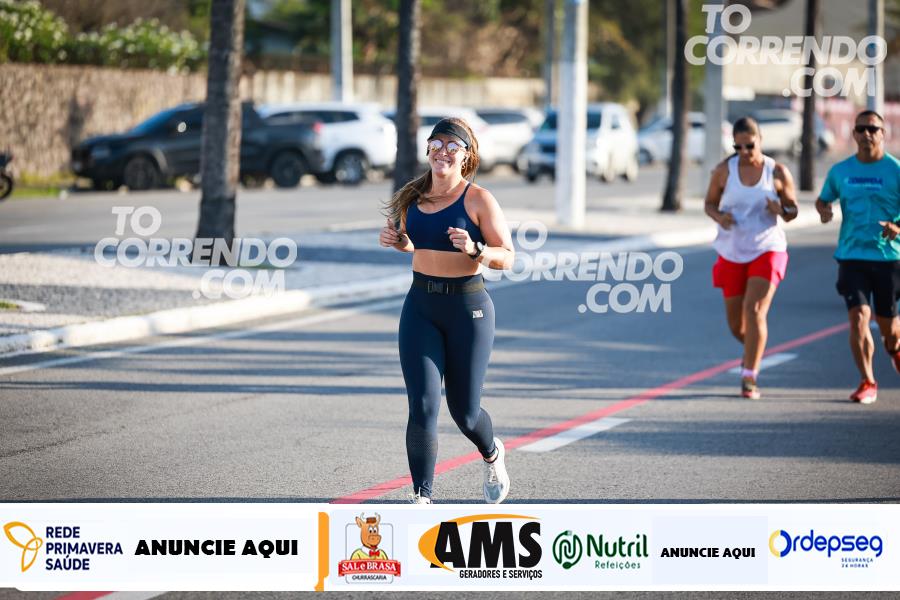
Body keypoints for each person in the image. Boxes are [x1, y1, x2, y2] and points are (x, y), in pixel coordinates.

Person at [379, 117, 515, 503]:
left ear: (466, 156)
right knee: (423, 404)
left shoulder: (478, 200)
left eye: (452, 146)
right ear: (427, 149)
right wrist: (398, 241)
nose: (443, 152)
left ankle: (492, 453)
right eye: (436, 144)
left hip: (467, 310)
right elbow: (415, 242)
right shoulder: (412, 196)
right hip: (420, 306)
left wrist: (475, 249)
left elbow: (507, 257)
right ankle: (422, 497)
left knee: (465, 413)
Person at [704, 116, 799, 399]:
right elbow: (709, 204)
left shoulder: (777, 172)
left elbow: (792, 211)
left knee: (755, 309)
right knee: (737, 325)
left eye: (750, 145)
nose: (744, 152)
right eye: (738, 147)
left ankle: (749, 376)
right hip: (732, 250)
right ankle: (754, 349)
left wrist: (781, 209)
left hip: (767, 248)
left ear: (760, 141)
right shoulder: (724, 171)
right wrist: (720, 217)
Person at [816, 109, 900, 405]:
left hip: (889, 258)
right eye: (861, 129)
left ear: (883, 133)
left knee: (889, 329)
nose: (866, 134)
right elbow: (823, 199)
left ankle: (895, 349)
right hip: (851, 256)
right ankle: (867, 381)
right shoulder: (841, 171)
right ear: (853, 134)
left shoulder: (896, 170)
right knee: (859, 317)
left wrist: (897, 227)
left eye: (873, 129)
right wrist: (824, 210)